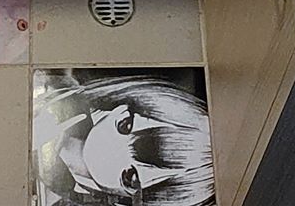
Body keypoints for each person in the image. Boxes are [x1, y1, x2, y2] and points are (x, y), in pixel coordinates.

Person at [33, 72, 214, 206]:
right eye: (125, 126)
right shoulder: (55, 88)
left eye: (131, 176)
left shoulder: (57, 199)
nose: (114, 151)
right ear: (121, 107)